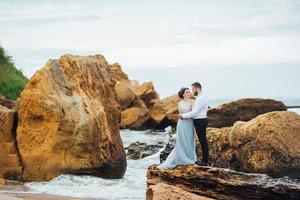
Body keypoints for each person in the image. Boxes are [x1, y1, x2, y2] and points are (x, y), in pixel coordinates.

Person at [158, 87, 197, 169]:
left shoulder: (193, 102)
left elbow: (194, 114)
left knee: (189, 140)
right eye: (187, 92)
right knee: (182, 141)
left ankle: (190, 158)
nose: (189, 93)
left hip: (189, 123)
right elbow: (180, 114)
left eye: (189, 92)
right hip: (181, 123)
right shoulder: (180, 103)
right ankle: (182, 158)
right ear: (183, 94)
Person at [179, 82, 209, 166]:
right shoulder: (200, 97)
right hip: (201, 120)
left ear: (197, 88)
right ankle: (204, 160)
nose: (192, 91)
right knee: (202, 140)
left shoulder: (200, 98)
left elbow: (195, 112)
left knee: (203, 141)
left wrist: (183, 116)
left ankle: (205, 161)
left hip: (200, 121)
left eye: (192, 89)